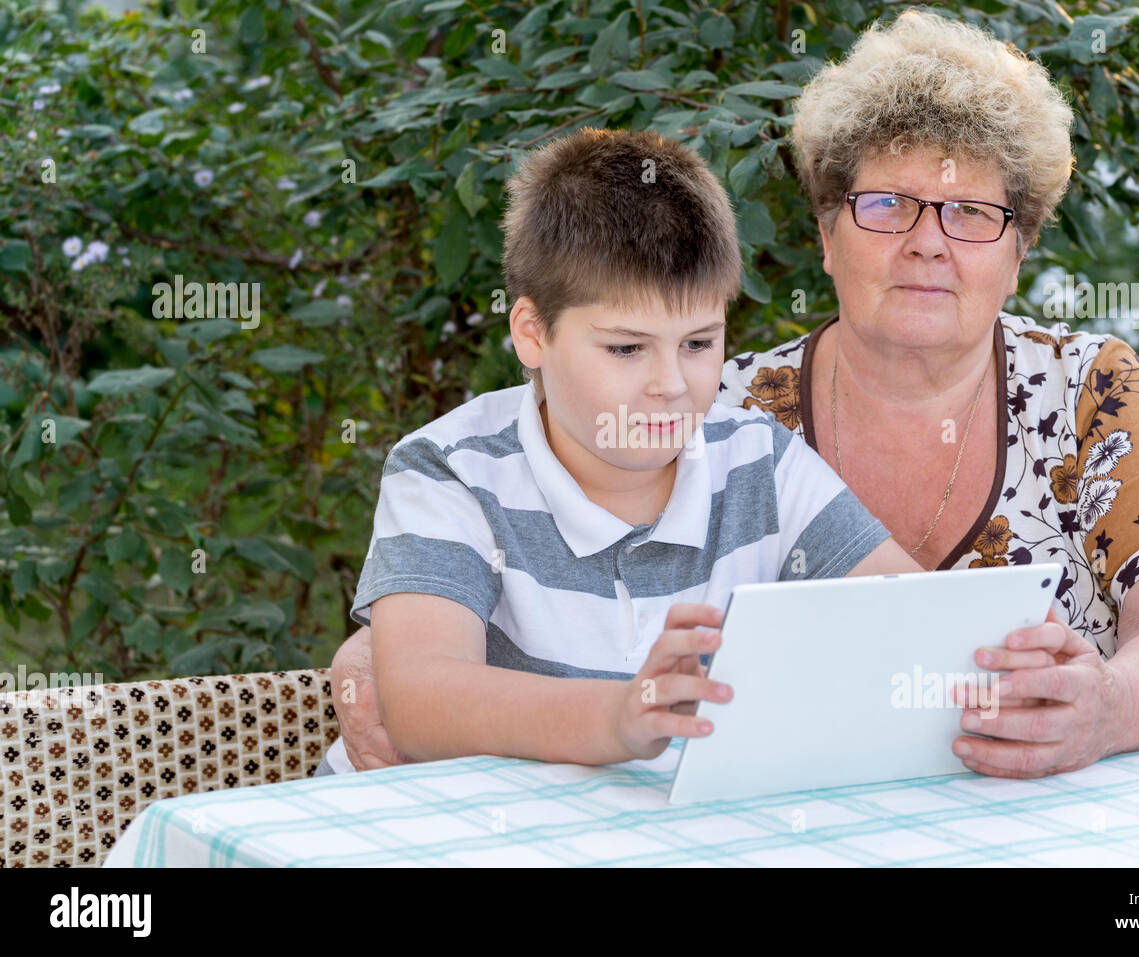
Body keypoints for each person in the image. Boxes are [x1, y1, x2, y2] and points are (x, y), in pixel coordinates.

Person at [719, 9, 1139, 777]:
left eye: (971, 213)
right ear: (825, 235)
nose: (927, 241)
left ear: (1017, 256)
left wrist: (1111, 706)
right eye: (886, 205)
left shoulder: (1092, 392)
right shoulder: (726, 412)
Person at [313, 127, 920, 776]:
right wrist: (619, 716)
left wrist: (1008, 671)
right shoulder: (449, 471)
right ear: (532, 332)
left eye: (697, 342)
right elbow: (422, 701)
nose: (671, 383)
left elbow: (921, 625)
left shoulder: (759, 464)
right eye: (627, 348)